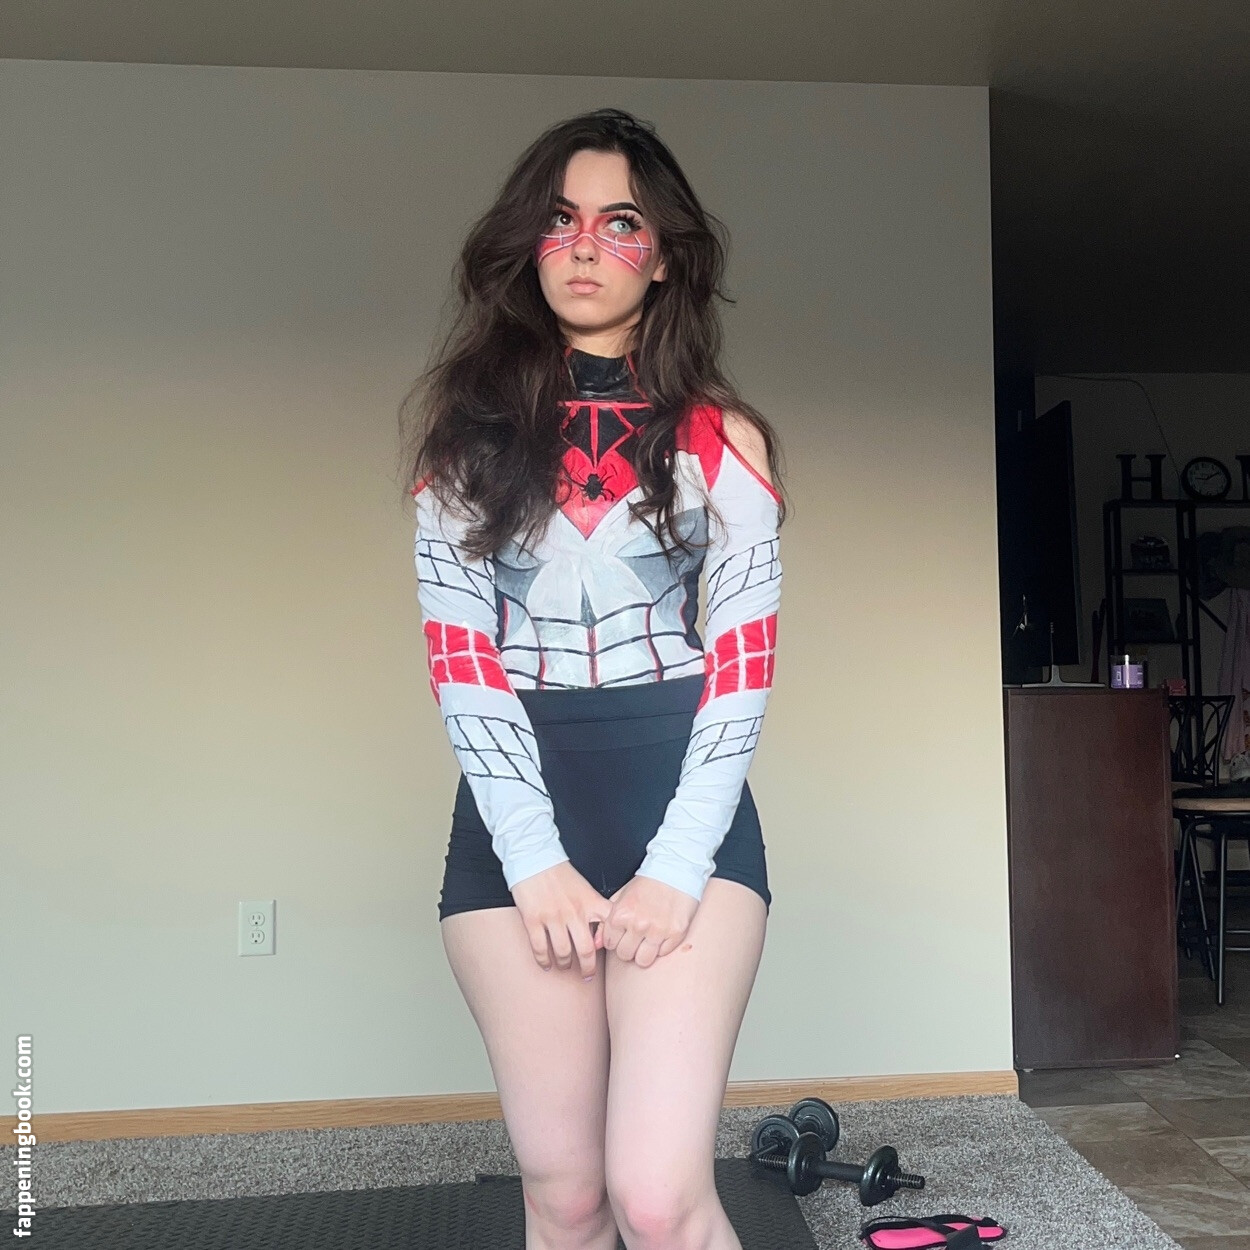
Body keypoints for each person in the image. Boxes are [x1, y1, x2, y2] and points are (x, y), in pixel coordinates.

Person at [399, 107, 784, 1250]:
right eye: (559, 220)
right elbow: (460, 657)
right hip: (514, 820)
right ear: (527, 243)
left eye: (619, 222)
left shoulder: (723, 438)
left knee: (657, 1200)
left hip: (684, 810)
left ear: (661, 255)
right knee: (564, 1197)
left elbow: (742, 666)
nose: (583, 246)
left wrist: (673, 865)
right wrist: (532, 858)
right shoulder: (463, 441)